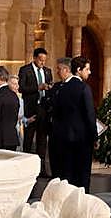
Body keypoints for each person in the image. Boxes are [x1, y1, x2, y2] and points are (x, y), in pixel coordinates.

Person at [50, 56, 96, 192]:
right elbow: (90, 115)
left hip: (61, 138)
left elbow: (55, 113)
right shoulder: (83, 88)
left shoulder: (60, 88)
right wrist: (95, 137)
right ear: (78, 70)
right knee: (82, 176)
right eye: (87, 69)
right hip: (82, 140)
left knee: (66, 175)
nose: (89, 72)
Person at [18, 48, 53, 165]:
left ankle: (41, 167)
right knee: (28, 138)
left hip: (44, 108)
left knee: (42, 139)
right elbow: (21, 88)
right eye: (40, 60)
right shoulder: (25, 70)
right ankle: (26, 166)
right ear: (34, 58)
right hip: (30, 108)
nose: (42, 63)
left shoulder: (47, 71)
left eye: (44, 60)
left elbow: (50, 85)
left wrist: (49, 88)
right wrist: (38, 87)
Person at [46, 58, 73, 179]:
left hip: (68, 133)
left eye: (59, 69)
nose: (57, 72)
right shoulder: (56, 86)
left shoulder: (76, 87)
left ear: (66, 69)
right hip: (54, 131)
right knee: (55, 166)